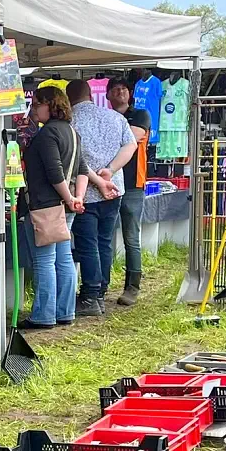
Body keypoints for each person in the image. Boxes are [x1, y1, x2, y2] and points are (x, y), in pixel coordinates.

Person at [19, 86, 89, 329]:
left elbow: (54, 172)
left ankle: (44, 315)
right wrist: (77, 198)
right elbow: (82, 169)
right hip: (65, 207)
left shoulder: (47, 134)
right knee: (64, 257)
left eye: (37, 104)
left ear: (51, 104)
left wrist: (70, 198)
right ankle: (65, 311)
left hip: (45, 206)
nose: (33, 110)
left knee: (44, 261)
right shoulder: (72, 132)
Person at [66, 80, 132, 317]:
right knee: (104, 242)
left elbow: (77, 160)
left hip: (85, 193)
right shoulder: (115, 117)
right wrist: (110, 171)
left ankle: (90, 295)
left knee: (88, 245)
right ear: (91, 96)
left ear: (68, 99)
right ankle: (101, 291)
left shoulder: (70, 122)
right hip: (114, 189)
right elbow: (130, 145)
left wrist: (96, 180)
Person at [109, 79, 152, 306]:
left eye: (124, 88)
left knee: (131, 238)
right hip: (107, 183)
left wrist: (105, 138)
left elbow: (131, 138)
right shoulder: (107, 116)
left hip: (133, 182)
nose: (120, 92)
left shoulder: (141, 115)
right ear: (108, 95)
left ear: (130, 92)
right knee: (104, 238)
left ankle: (132, 287)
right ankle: (100, 286)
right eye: (115, 89)